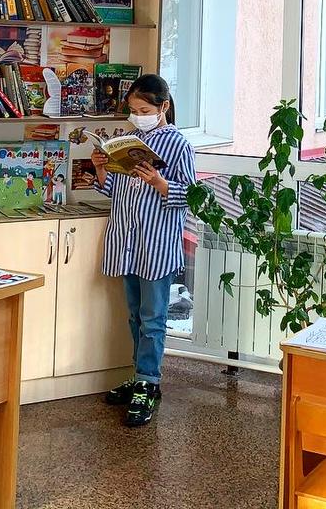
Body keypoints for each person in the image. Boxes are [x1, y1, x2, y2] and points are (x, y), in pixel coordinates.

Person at [90, 73, 195, 428]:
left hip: (157, 244)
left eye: (145, 110)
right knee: (134, 315)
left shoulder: (178, 144)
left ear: (163, 107)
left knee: (153, 319)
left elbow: (191, 196)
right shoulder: (127, 140)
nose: (138, 116)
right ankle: (139, 376)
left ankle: (149, 382)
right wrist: (101, 169)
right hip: (127, 242)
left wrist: (160, 183)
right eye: (133, 110)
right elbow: (113, 190)